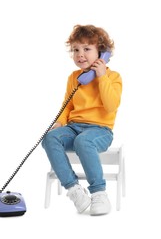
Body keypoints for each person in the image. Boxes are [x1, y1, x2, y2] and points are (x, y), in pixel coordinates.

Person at [42, 24, 122, 215]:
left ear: (101, 52)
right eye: (76, 50)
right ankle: (75, 190)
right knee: (49, 138)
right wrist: (60, 122)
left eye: (87, 49)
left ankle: (99, 193)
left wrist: (101, 77)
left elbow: (111, 106)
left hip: (100, 131)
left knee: (83, 140)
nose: (80, 54)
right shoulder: (74, 78)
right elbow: (67, 105)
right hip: (74, 127)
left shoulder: (113, 77)